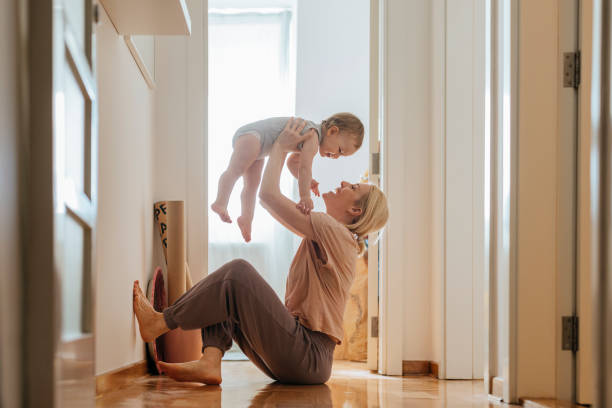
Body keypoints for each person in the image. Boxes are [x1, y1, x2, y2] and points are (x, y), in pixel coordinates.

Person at [133, 118, 388, 385]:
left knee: (237, 273)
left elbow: (268, 196)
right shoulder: (331, 236)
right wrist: (292, 164)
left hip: (308, 355)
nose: (346, 182)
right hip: (304, 358)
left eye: (354, 188)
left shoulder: (333, 232)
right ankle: (210, 361)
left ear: (355, 211)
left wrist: (279, 146)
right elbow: (275, 198)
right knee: (225, 291)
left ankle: (161, 323)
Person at [210, 113, 365, 242]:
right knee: (235, 171)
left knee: (251, 186)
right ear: (332, 131)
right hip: (252, 136)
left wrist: (308, 181)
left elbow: (293, 163)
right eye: (339, 150)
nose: (336, 156)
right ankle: (220, 201)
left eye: (341, 155)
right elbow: (305, 168)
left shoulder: (310, 137)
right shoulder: (313, 136)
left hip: (261, 147)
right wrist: (305, 196)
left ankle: (246, 219)